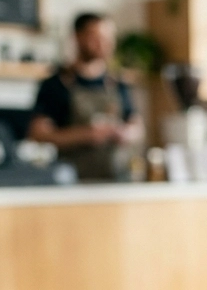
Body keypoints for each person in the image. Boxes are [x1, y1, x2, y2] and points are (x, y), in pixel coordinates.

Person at [29, 12, 144, 180]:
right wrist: (87, 134)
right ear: (77, 37)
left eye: (108, 38)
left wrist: (125, 133)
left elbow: (137, 126)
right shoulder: (56, 84)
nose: (104, 44)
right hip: (73, 180)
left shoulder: (118, 84)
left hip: (118, 179)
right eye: (96, 38)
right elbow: (38, 134)